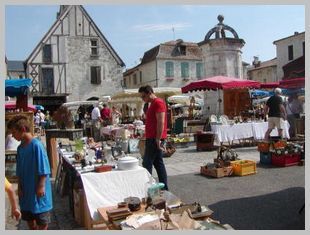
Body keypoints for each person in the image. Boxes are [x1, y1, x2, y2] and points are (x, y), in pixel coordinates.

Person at [7, 115, 53, 230]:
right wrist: (20, 186)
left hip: (38, 192)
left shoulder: (36, 145)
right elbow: (20, 170)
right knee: (29, 219)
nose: (12, 135)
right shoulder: (20, 148)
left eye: (14, 132)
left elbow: (44, 168)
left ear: (22, 129)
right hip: (26, 192)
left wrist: (41, 186)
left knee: (42, 222)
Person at [138, 85, 168, 190]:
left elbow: (161, 121)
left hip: (155, 138)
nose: (143, 99)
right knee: (158, 163)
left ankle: (148, 188)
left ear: (149, 93)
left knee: (147, 162)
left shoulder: (158, 102)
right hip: (152, 137)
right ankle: (164, 188)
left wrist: (158, 139)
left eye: (143, 96)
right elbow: (154, 122)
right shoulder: (152, 104)